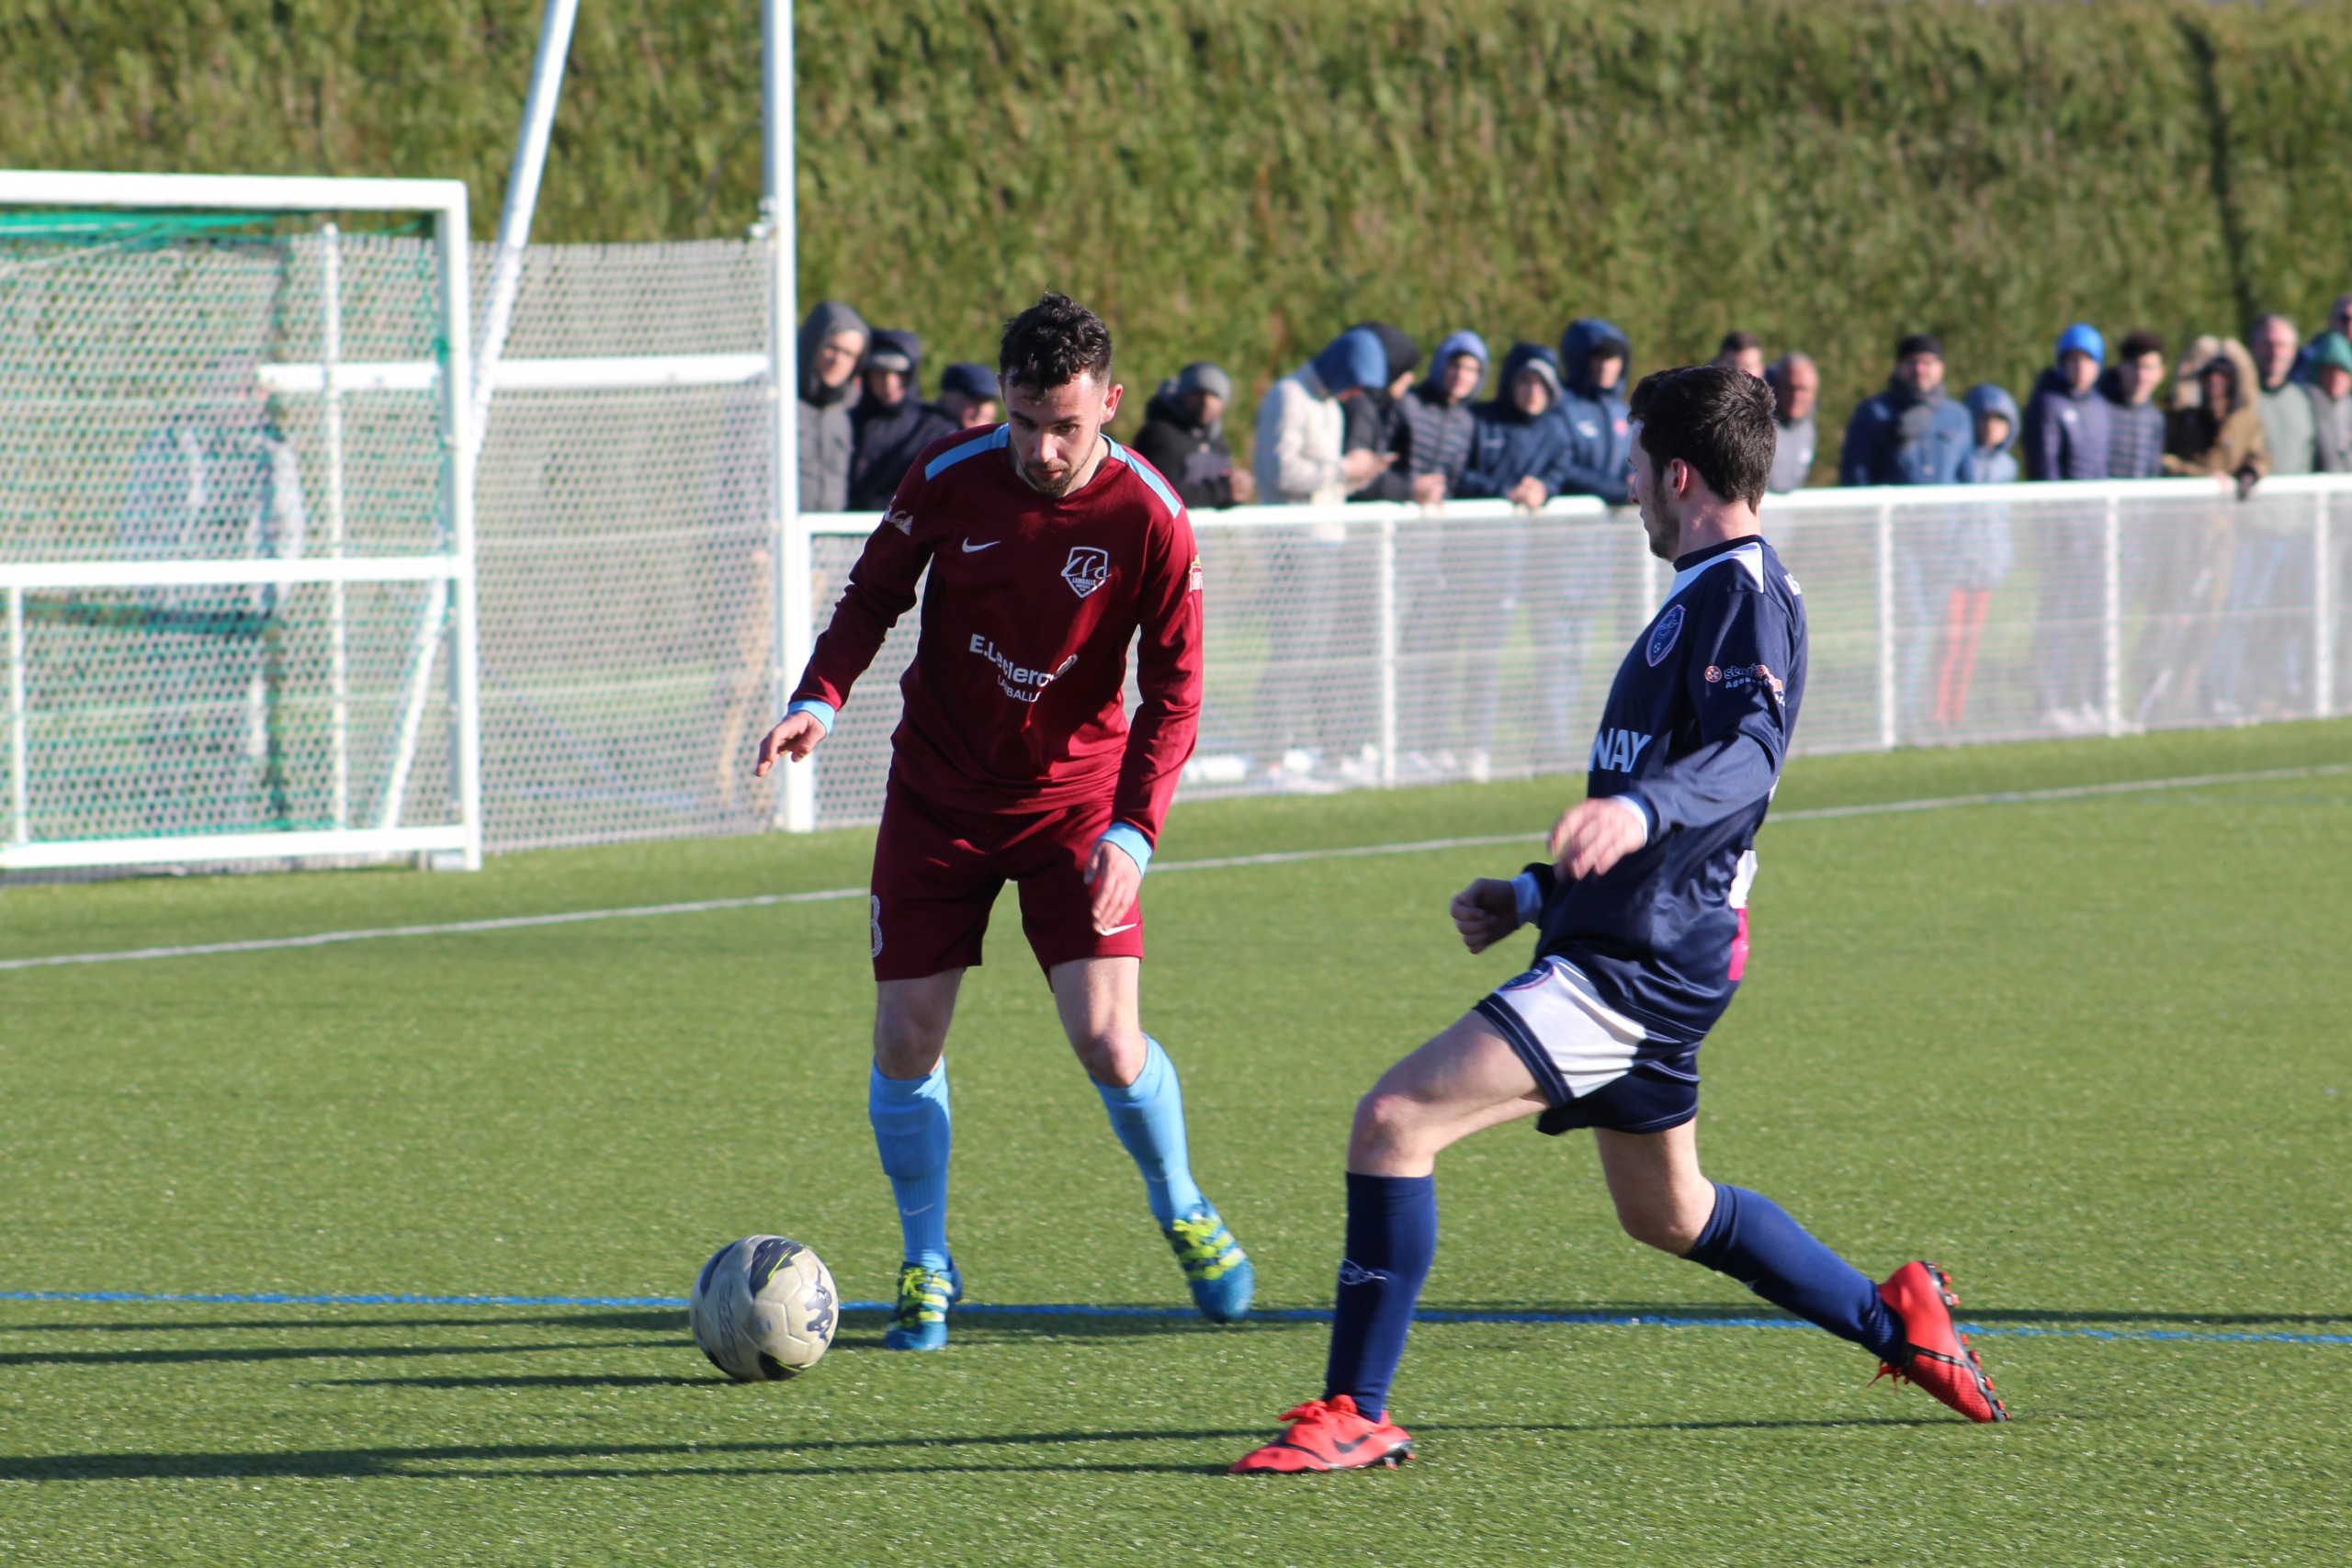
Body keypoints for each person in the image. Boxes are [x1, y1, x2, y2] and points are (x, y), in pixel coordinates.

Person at [1229, 365, 2007, 1475]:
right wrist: (1535, 894)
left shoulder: (1741, 594)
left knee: (1394, 1122)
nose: (1629, 485)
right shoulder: (1706, 593)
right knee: (1670, 1213)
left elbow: (1745, 756)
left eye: (1636, 464)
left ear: (1677, 474)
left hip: (1638, 966)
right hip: (1642, 941)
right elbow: (1671, 808)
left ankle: (1355, 1410)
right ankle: (1898, 1322)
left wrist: (1635, 809)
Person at [754, 292, 1250, 1350]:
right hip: (937, 794)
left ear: (1110, 403)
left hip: (1076, 807)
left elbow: (1174, 695)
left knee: (1109, 1042)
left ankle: (1181, 1202)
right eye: (1023, 422)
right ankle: (927, 1261)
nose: (1041, 449)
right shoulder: (947, 472)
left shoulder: (1151, 517)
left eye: (1064, 426)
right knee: (904, 1038)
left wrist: (1133, 834)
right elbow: (872, 594)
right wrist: (817, 699)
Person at [1250, 327, 1393, 787]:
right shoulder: (1290, 395)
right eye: (1355, 382)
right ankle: (1268, 762)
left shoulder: (1329, 404)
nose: (1355, 394)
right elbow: (1280, 471)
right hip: (1296, 543)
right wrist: (1343, 468)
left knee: (1317, 654)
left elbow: (1323, 479)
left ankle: (1309, 752)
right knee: (1292, 652)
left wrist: (1358, 474)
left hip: (1327, 541)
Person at [1392, 333, 1492, 781]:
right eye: (1455, 365)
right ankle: (1384, 744)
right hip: (1392, 546)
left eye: (1471, 369)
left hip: (1437, 554)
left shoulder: (1468, 422)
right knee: (1389, 649)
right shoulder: (1409, 406)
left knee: (1429, 651)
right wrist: (1408, 489)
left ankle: (1421, 743)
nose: (1460, 376)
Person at [1840, 334, 1977, 486]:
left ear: (1941, 367)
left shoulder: (1959, 416)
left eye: (1927, 362)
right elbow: (1856, 476)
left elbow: (1968, 479)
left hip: (1946, 502)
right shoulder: (1873, 412)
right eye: (1912, 362)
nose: (1919, 369)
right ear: (1899, 366)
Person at [847, 329, 958, 510]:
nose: (889, 382)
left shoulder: (934, 428)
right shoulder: (847, 420)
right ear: (867, 374)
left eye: (899, 373)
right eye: (880, 372)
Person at [1131, 361, 1254, 511]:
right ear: (1182, 395)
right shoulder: (1160, 436)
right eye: (1198, 393)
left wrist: (1236, 491)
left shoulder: (1218, 443)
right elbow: (1163, 496)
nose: (1206, 402)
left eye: (1214, 396)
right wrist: (1222, 491)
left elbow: (1219, 499)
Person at [1553, 319, 1635, 503]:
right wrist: (1617, 491)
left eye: (1612, 358)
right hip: (1568, 516)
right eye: (1598, 358)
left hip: (1619, 519)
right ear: (1579, 360)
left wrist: (1635, 483)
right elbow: (1561, 467)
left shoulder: (1622, 411)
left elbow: (1633, 462)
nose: (1605, 367)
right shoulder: (1561, 408)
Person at [797, 300, 868, 512]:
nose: (838, 360)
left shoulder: (845, 415)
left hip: (829, 531)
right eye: (832, 348)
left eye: (849, 354)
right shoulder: (776, 405)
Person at [2021, 323, 2111, 481]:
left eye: (2088, 359)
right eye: (2073, 359)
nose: (2080, 367)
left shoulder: (2101, 406)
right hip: (2062, 496)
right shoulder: (2048, 405)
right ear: (2062, 363)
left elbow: (2101, 464)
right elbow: (2045, 465)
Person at [1344, 322, 1422, 502]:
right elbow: (1358, 475)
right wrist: (1411, 489)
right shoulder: (1360, 407)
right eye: (1405, 370)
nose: (1410, 378)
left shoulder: (1374, 406)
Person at [2250, 314, 2321, 476]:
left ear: (2293, 350)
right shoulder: (2238, 400)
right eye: (2268, 345)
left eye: (2282, 345)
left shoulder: (2308, 401)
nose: (2275, 352)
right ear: (2252, 347)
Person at [2101, 331, 2168, 479]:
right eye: (2135, 366)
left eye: (2148, 368)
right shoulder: (2099, 409)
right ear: (2121, 367)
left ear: (2161, 373)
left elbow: (2153, 470)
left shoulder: (2155, 419)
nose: (2141, 375)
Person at [1763, 353, 1817, 493]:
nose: (1796, 396)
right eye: (1789, 387)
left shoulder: (1808, 430)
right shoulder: (1756, 427)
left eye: (1803, 389)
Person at [2309, 332, 2352, 472]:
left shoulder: (2349, 407)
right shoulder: (2307, 403)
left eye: (2342, 371)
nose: (2336, 377)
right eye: (2330, 370)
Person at [936, 362, 1000, 429]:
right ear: (947, 397)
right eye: (974, 400)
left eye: (986, 401)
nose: (981, 409)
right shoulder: (936, 429)